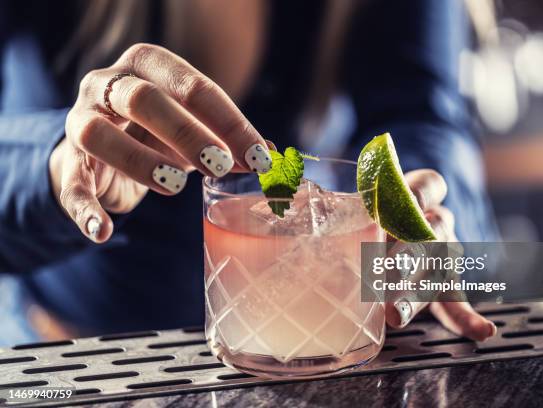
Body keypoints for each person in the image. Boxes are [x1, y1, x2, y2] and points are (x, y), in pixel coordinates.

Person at [0, 0, 498, 346]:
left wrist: (415, 219)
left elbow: (419, 116)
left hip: (290, 360)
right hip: (65, 357)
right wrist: (61, 165)